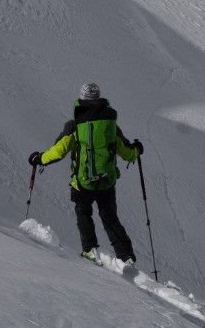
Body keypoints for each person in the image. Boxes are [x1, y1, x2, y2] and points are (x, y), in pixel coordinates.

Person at [29, 83, 144, 265]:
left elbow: (59, 151)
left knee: (83, 213)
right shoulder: (110, 126)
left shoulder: (74, 125)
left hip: (83, 181)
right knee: (110, 218)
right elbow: (127, 153)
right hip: (107, 181)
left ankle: (90, 250)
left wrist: (39, 159)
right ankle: (126, 257)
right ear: (99, 98)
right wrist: (137, 149)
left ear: (81, 99)